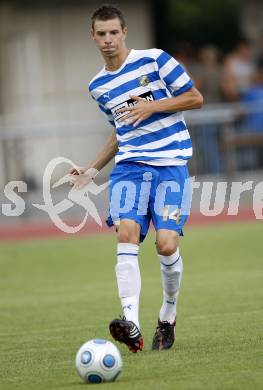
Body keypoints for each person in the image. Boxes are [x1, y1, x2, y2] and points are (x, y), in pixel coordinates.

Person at [70, 4, 203, 353]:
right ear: (93, 36)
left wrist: (152, 106)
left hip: (170, 164)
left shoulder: (155, 60)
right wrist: (91, 168)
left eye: (114, 32)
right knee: (126, 234)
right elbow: (119, 131)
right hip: (130, 167)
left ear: (125, 31)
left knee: (166, 244)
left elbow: (195, 97)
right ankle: (131, 324)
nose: (109, 40)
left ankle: (167, 315)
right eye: (102, 34)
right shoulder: (98, 86)